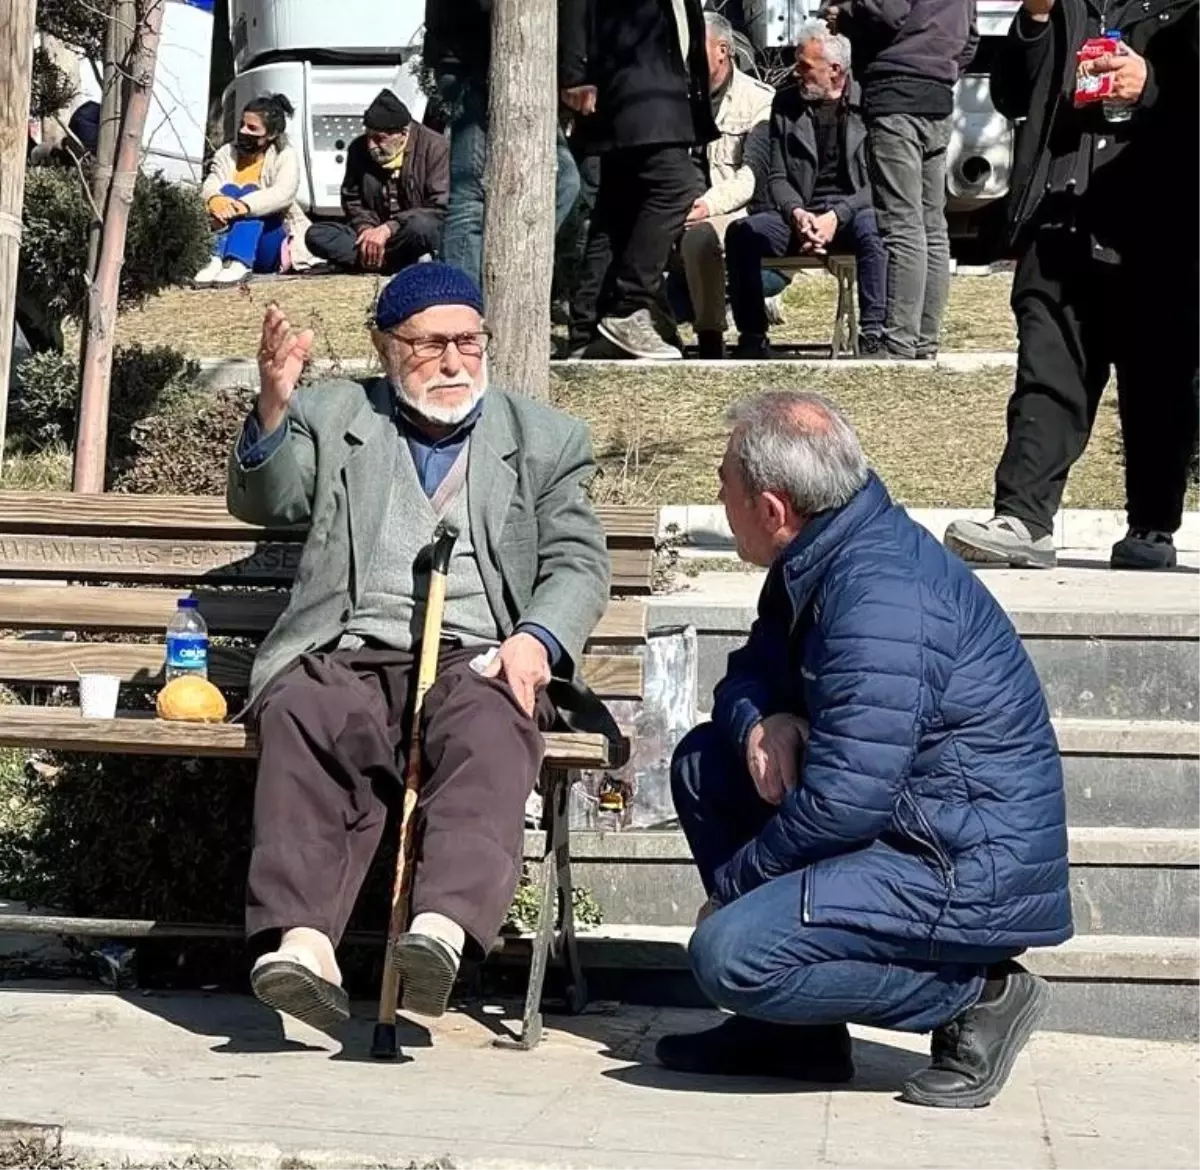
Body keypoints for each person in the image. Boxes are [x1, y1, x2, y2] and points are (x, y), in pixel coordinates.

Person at [657, 391, 1072, 1109]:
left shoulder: (879, 596)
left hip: (950, 861)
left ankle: (982, 994)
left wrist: (735, 890)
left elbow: (846, 803)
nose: (718, 499)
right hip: (898, 825)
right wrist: (761, 722)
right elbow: (747, 673)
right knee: (707, 763)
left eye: (724, 485)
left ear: (772, 508)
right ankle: (791, 1034)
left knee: (729, 956)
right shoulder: (826, 549)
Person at [226, 262, 610, 1030]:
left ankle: (439, 933)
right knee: (300, 710)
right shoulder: (335, 416)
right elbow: (268, 502)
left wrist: (535, 641)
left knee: (496, 723)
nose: (452, 360)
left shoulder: (545, 439)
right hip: (351, 649)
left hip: (477, 652)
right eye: (430, 343)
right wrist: (273, 406)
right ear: (385, 346)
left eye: (468, 340)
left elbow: (578, 561)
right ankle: (304, 945)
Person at [943, 0, 1200, 571]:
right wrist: (1033, 23)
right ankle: (1023, 519)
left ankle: (1152, 526)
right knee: (1044, 377)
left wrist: (1151, 85)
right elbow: (1011, 94)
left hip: (1157, 229)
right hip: (1060, 218)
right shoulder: (1066, 8)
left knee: (1158, 386)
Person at [561, 0, 718, 360]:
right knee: (675, 186)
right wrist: (573, 74)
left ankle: (588, 329)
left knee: (617, 208)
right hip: (634, 92)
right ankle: (629, 307)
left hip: (659, 93)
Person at [724, 22, 887, 358]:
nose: (796, 73)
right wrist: (798, 214)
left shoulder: (869, 104)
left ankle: (873, 335)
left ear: (836, 70)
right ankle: (753, 336)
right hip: (798, 213)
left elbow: (881, 184)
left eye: (805, 67)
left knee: (874, 229)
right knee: (742, 234)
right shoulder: (785, 104)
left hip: (852, 212)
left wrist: (835, 217)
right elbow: (778, 177)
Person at [827, 0, 978, 359]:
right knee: (933, 226)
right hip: (938, 97)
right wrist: (940, 65)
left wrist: (844, 15)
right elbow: (971, 38)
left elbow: (888, 11)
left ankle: (898, 342)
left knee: (902, 225)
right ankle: (925, 341)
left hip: (895, 95)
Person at [424, 0, 582, 288]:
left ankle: (500, 275)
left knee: (564, 181)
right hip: (474, 58)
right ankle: (463, 299)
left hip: (513, 60)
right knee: (472, 197)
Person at [678, 11, 775, 360]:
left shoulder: (760, 101)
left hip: (731, 210)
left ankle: (709, 339)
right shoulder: (678, 98)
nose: (687, 54)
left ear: (723, 50)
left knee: (700, 235)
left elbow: (751, 175)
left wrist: (708, 204)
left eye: (696, 46)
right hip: (679, 204)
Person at [305, 90, 448, 275]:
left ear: (403, 133)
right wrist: (367, 230)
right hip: (375, 236)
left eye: (379, 139)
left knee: (422, 228)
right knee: (317, 234)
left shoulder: (435, 147)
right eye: (368, 137)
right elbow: (352, 200)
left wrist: (389, 228)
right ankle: (383, 261)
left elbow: (439, 208)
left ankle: (375, 262)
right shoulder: (358, 149)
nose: (371, 146)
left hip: (409, 233)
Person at [195, 94, 315, 286]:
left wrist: (244, 206)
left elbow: (283, 193)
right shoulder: (228, 153)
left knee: (250, 191)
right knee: (229, 189)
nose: (243, 131)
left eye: (252, 128)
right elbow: (212, 182)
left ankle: (239, 261)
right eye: (242, 125)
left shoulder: (284, 156)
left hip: (268, 241)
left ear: (271, 134)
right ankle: (215, 258)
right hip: (225, 228)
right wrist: (215, 200)